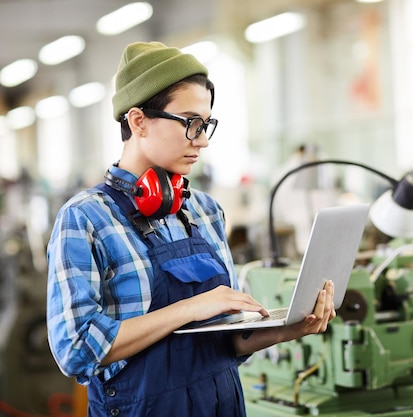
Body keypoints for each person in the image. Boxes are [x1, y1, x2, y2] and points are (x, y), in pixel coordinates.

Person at [46, 41, 336, 417]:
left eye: (206, 125)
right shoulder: (85, 219)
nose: (201, 140)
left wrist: (288, 328)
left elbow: (221, 342)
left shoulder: (205, 211)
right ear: (138, 121)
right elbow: (77, 350)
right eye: (190, 124)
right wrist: (192, 307)